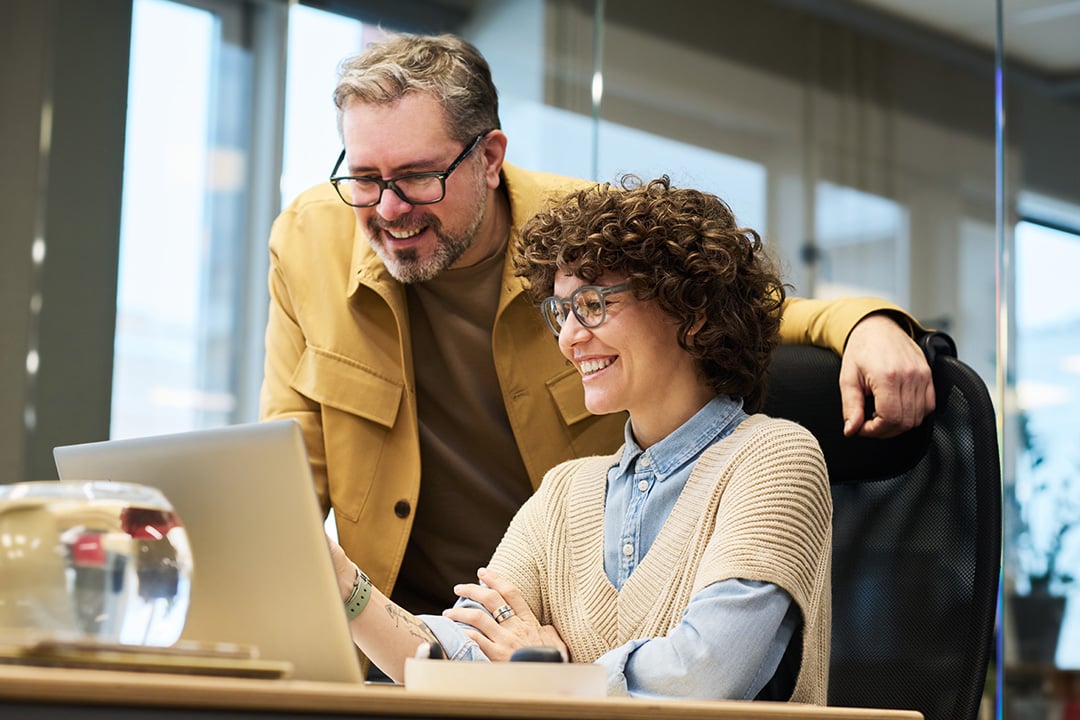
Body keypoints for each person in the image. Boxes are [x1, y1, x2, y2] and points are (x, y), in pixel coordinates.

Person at [259, 32, 930, 619]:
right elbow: (286, 468)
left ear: (489, 157)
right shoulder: (308, 237)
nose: (388, 207)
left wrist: (865, 323)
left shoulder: (578, 234)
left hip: (568, 627)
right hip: (399, 627)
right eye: (365, 177)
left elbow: (739, 303)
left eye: (417, 176)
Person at [327, 175, 831, 702]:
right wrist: (346, 587)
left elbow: (702, 674)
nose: (569, 338)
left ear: (691, 309)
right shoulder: (565, 492)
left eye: (592, 305)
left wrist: (551, 676)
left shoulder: (774, 458)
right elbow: (462, 657)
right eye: (561, 312)